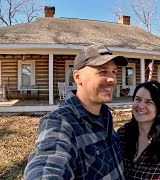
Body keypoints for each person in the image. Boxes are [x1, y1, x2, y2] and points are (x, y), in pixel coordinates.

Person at [24, 45, 128, 179]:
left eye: (114, 72)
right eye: (102, 71)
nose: (112, 79)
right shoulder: (61, 122)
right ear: (78, 77)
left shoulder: (105, 116)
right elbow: (48, 164)